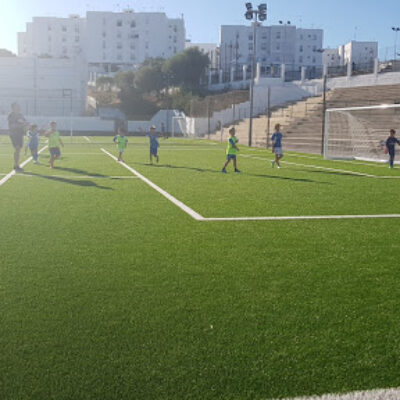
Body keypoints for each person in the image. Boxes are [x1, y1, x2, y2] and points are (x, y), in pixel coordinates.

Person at [8, 103, 28, 172]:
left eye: (18, 106)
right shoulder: (11, 115)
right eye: (16, 107)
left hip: (20, 134)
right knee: (17, 148)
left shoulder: (21, 115)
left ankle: (16, 164)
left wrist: (26, 126)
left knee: (18, 149)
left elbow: (25, 123)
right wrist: (22, 125)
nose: (18, 108)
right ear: (13, 108)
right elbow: (12, 126)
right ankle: (16, 164)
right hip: (14, 134)